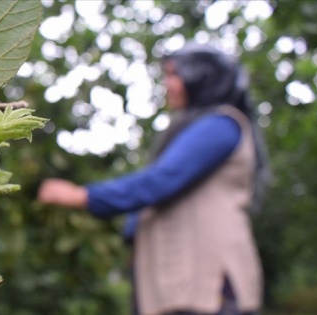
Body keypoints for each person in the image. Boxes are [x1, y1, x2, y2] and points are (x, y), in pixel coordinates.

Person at [37, 43, 270, 315]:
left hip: (209, 282)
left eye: (175, 75)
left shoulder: (221, 125)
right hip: (181, 283)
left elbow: (161, 181)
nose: (168, 85)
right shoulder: (194, 128)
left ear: (202, 78)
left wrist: (84, 196)